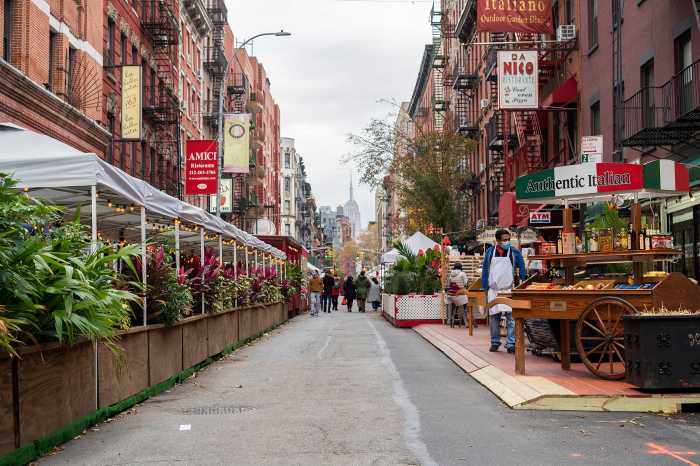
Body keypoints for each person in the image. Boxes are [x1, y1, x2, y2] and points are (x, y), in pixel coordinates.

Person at [482, 229, 527, 353]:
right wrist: (485, 287)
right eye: (504, 240)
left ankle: (511, 343)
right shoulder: (490, 252)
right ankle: (495, 342)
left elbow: (521, 263)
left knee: (511, 318)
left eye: (508, 239)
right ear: (497, 240)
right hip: (493, 291)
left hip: (508, 289)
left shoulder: (514, 252)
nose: (507, 242)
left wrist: (523, 277)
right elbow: (485, 269)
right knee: (494, 318)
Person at [447, 263, 468, 327]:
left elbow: (449, 285)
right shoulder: (463, 274)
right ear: (461, 267)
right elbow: (466, 284)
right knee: (466, 306)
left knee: (456, 305)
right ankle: (465, 322)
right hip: (460, 296)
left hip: (451, 296)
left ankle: (450, 320)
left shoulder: (450, 274)